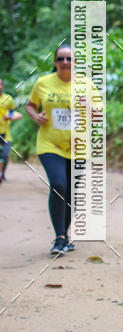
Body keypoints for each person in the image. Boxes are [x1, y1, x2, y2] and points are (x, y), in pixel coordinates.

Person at [25, 45, 75, 256]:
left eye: (69, 59)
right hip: (49, 144)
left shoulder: (86, 85)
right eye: (61, 59)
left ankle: (66, 235)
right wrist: (36, 116)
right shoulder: (42, 83)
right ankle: (60, 238)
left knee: (72, 192)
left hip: (77, 147)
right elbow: (30, 105)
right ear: (54, 62)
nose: (65, 62)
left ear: (75, 63)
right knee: (59, 185)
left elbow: (97, 111)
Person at [0, 78, 22, 182]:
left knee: (5, 154)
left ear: (2, 86)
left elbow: (12, 111)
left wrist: (11, 117)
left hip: (5, 133)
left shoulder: (8, 98)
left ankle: (2, 174)